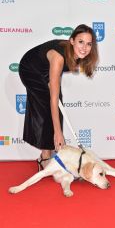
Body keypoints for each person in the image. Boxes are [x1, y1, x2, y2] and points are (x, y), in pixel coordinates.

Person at [19, 24, 99, 170]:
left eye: (89, 44)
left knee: (55, 106)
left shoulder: (80, 55)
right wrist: (58, 132)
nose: (85, 48)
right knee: (46, 106)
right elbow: (53, 99)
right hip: (30, 69)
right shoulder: (58, 58)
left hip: (45, 69)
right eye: (81, 42)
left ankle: (53, 148)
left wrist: (51, 79)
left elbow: (56, 96)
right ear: (72, 41)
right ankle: (44, 158)